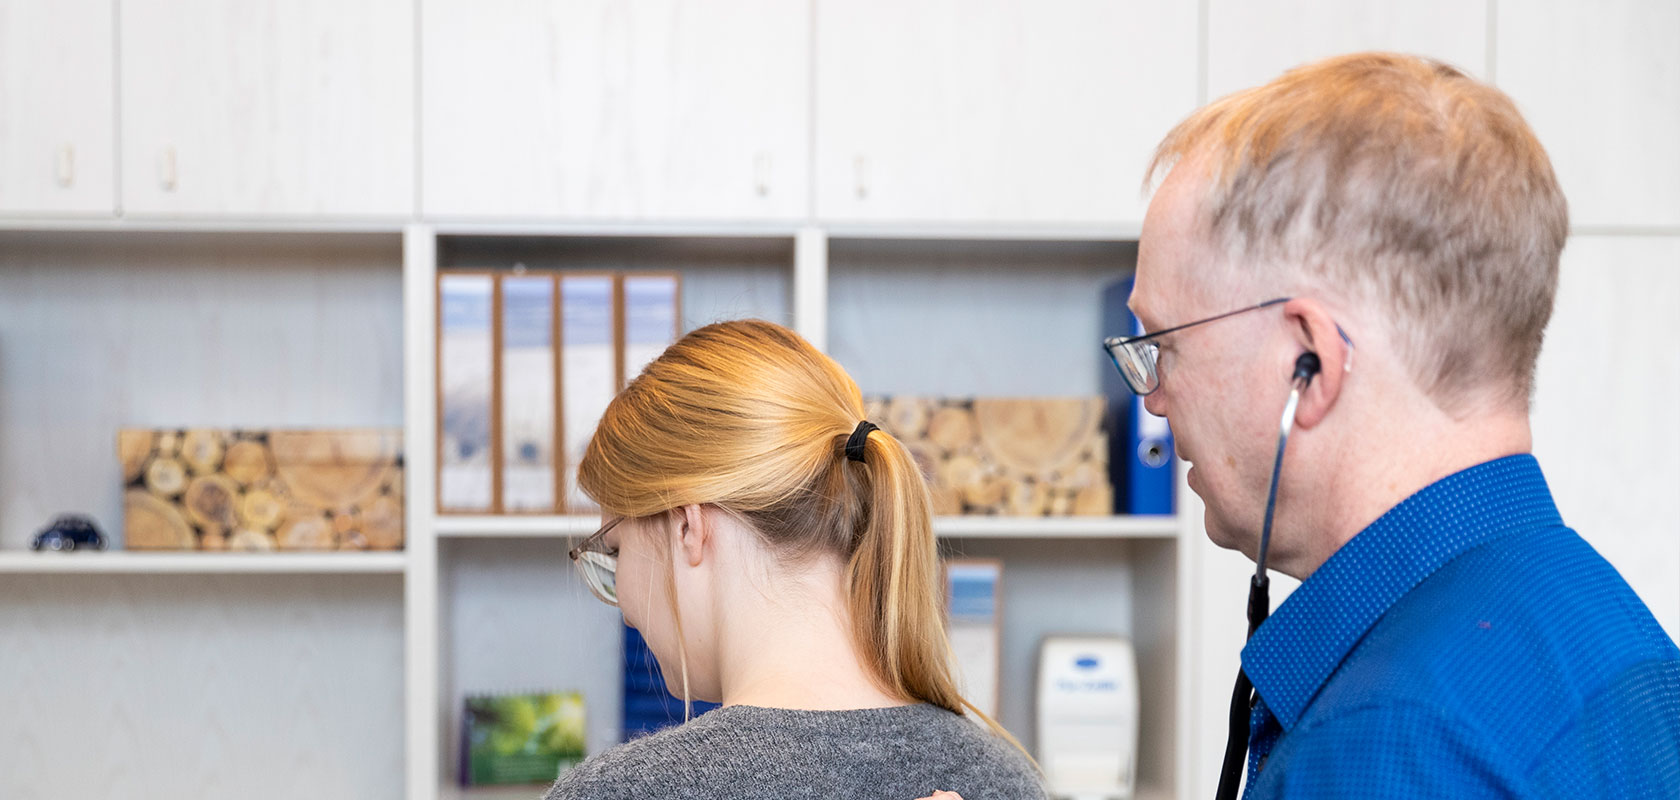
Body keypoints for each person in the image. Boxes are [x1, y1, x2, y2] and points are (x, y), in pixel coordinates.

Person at [1123, 52, 1680, 797]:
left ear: (1308, 361)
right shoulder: (1607, 631)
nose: (1152, 398)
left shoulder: (1382, 740)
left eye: (1165, 344)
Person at [547, 319, 1045, 800]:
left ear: (687, 527)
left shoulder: (617, 793)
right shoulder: (1007, 781)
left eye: (615, 549)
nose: (624, 600)